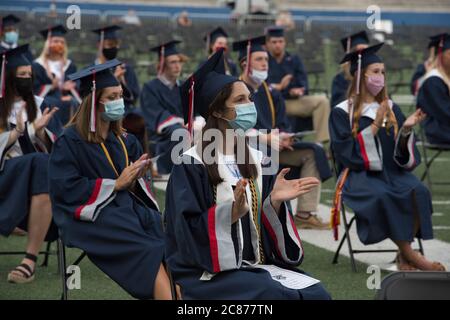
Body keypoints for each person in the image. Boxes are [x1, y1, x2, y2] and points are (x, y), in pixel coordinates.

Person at [165, 49, 331, 299]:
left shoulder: (256, 158)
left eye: (250, 99)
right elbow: (183, 232)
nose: (250, 105)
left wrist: (273, 203)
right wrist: (227, 215)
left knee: (316, 293)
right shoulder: (191, 164)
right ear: (218, 112)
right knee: (272, 295)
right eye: (240, 101)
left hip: (254, 265)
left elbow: (262, 234)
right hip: (208, 271)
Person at [48, 60, 172, 299]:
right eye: (112, 96)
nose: (120, 101)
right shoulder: (69, 140)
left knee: (168, 241)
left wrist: (137, 178)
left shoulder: (125, 140)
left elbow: (136, 188)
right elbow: (64, 188)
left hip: (126, 209)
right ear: (94, 102)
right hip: (86, 215)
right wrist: (115, 184)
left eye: (121, 95)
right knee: (150, 249)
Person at [329, 43, 445, 271]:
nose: (380, 77)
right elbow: (347, 154)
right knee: (382, 195)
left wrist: (407, 128)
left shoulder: (391, 107)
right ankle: (412, 255)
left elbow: (401, 153)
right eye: (375, 72)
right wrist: (374, 125)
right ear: (360, 75)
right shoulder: (342, 111)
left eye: (383, 72)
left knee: (418, 191)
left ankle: (404, 256)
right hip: (359, 175)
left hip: (393, 172)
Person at [232, 35, 332, 230]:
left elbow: (282, 123)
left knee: (314, 151)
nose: (264, 64)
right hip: (245, 148)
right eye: (259, 60)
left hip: (274, 146)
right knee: (264, 150)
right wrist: (266, 138)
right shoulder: (234, 90)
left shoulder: (271, 93)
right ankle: (262, 210)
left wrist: (285, 137)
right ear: (245, 64)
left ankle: (305, 213)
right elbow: (232, 127)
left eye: (266, 60)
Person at [0, 44, 58, 283]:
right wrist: (16, 134)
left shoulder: (40, 103)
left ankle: (29, 260)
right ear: (7, 76)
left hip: (35, 184)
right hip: (5, 180)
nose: (26, 79)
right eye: (20, 75)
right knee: (39, 162)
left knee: (43, 162)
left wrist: (41, 134)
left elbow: (59, 149)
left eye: (29, 75)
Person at [265, 26, 330, 144]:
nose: (277, 45)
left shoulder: (294, 59)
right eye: (274, 42)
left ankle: (320, 143)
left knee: (322, 101)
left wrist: (298, 90)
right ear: (268, 44)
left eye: (280, 41)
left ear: (285, 42)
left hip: (292, 102)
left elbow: (303, 81)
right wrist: (280, 87)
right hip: (272, 105)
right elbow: (262, 86)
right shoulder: (263, 60)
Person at [140, 40, 189, 175]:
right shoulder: (150, 88)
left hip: (181, 127)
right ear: (162, 65)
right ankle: (159, 165)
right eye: (172, 62)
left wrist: (193, 122)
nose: (177, 66)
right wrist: (180, 123)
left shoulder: (184, 86)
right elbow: (155, 114)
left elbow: (193, 110)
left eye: (179, 62)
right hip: (160, 131)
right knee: (181, 133)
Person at [32, 25, 80, 127]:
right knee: (49, 102)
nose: (59, 44)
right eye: (56, 41)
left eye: (62, 42)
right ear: (47, 44)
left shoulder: (70, 65)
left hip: (66, 99)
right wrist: (51, 86)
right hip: (47, 99)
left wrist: (70, 88)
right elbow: (34, 87)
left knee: (74, 102)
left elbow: (77, 84)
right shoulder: (37, 65)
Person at [417, 33, 450, 145]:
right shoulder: (433, 81)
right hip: (440, 130)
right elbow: (445, 112)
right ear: (440, 56)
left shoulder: (446, 78)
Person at [331, 31, 370, 108]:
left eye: (366, 50)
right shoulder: (340, 78)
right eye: (359, 51)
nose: (363, 54)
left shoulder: (374, 74)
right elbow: (336, 104)